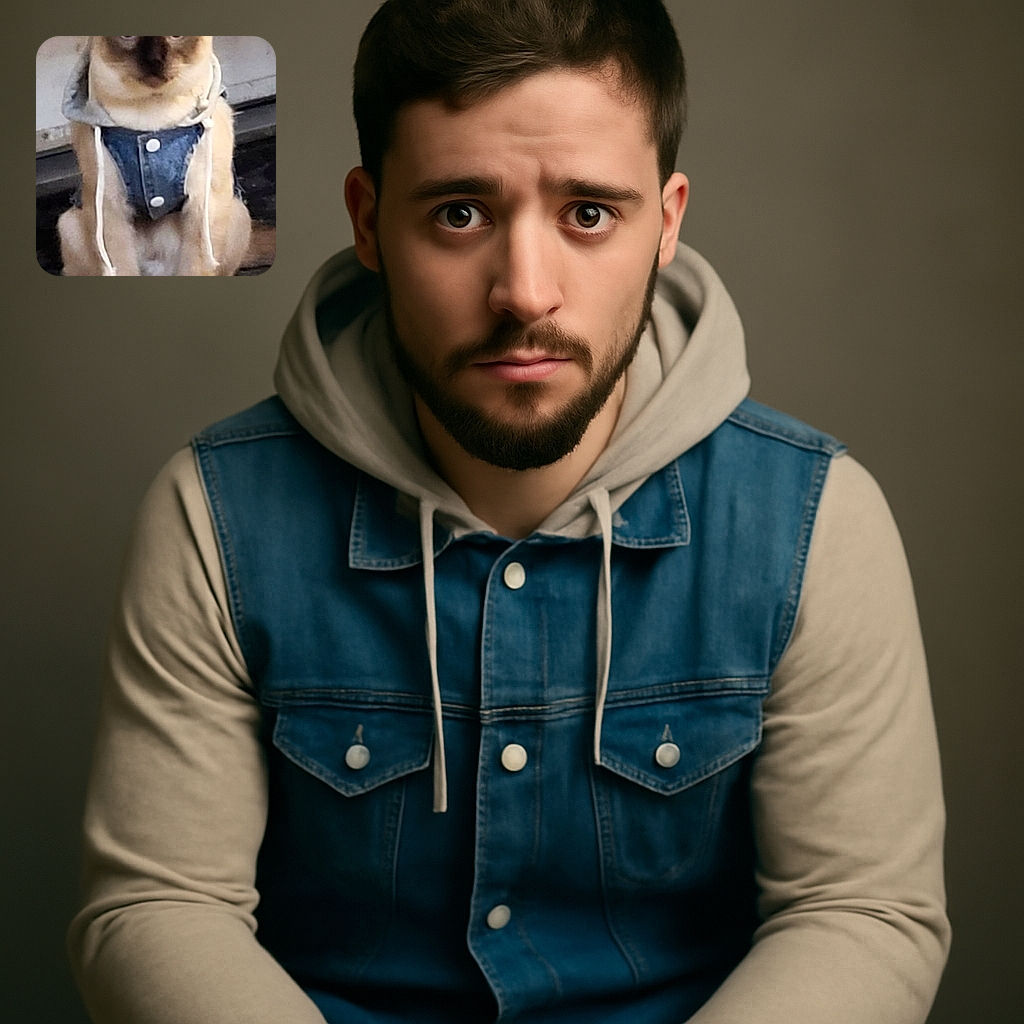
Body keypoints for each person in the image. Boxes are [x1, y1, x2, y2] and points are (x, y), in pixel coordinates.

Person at [67, 1, 950, 1021]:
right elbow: (160, 904)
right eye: (459, 212)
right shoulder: (212, 515)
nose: (525, 293)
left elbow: (859, 908)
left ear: (664, 222)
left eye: (587, 213)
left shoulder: (813, 522)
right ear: (367, 219)